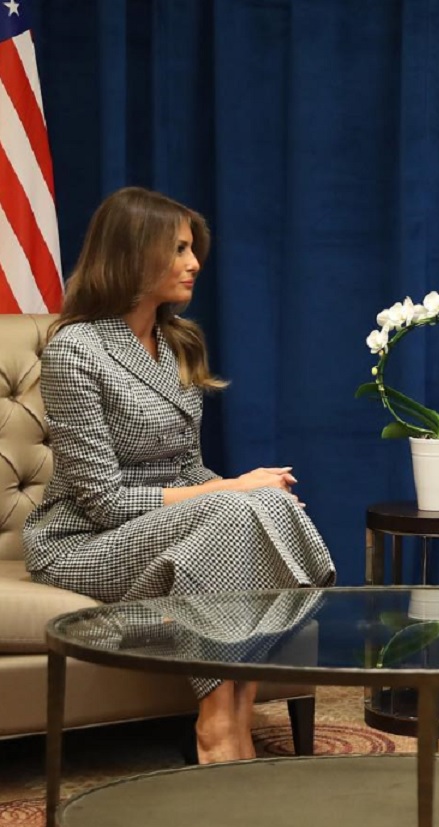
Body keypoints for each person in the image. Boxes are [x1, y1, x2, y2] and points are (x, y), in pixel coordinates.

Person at [22, 186, 336, 764]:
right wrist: (228, 489)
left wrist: (241, 493)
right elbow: (106, 504)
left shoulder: (174, 343)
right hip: (83, 542)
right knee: (242, 504)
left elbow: (189, 469)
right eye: (180, 250)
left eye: (193, 250)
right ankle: (218, 721)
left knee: (262, 507)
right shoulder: (74, 349)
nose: (195, 264)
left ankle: (233, 712)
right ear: (133, 254)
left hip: (157, 532)